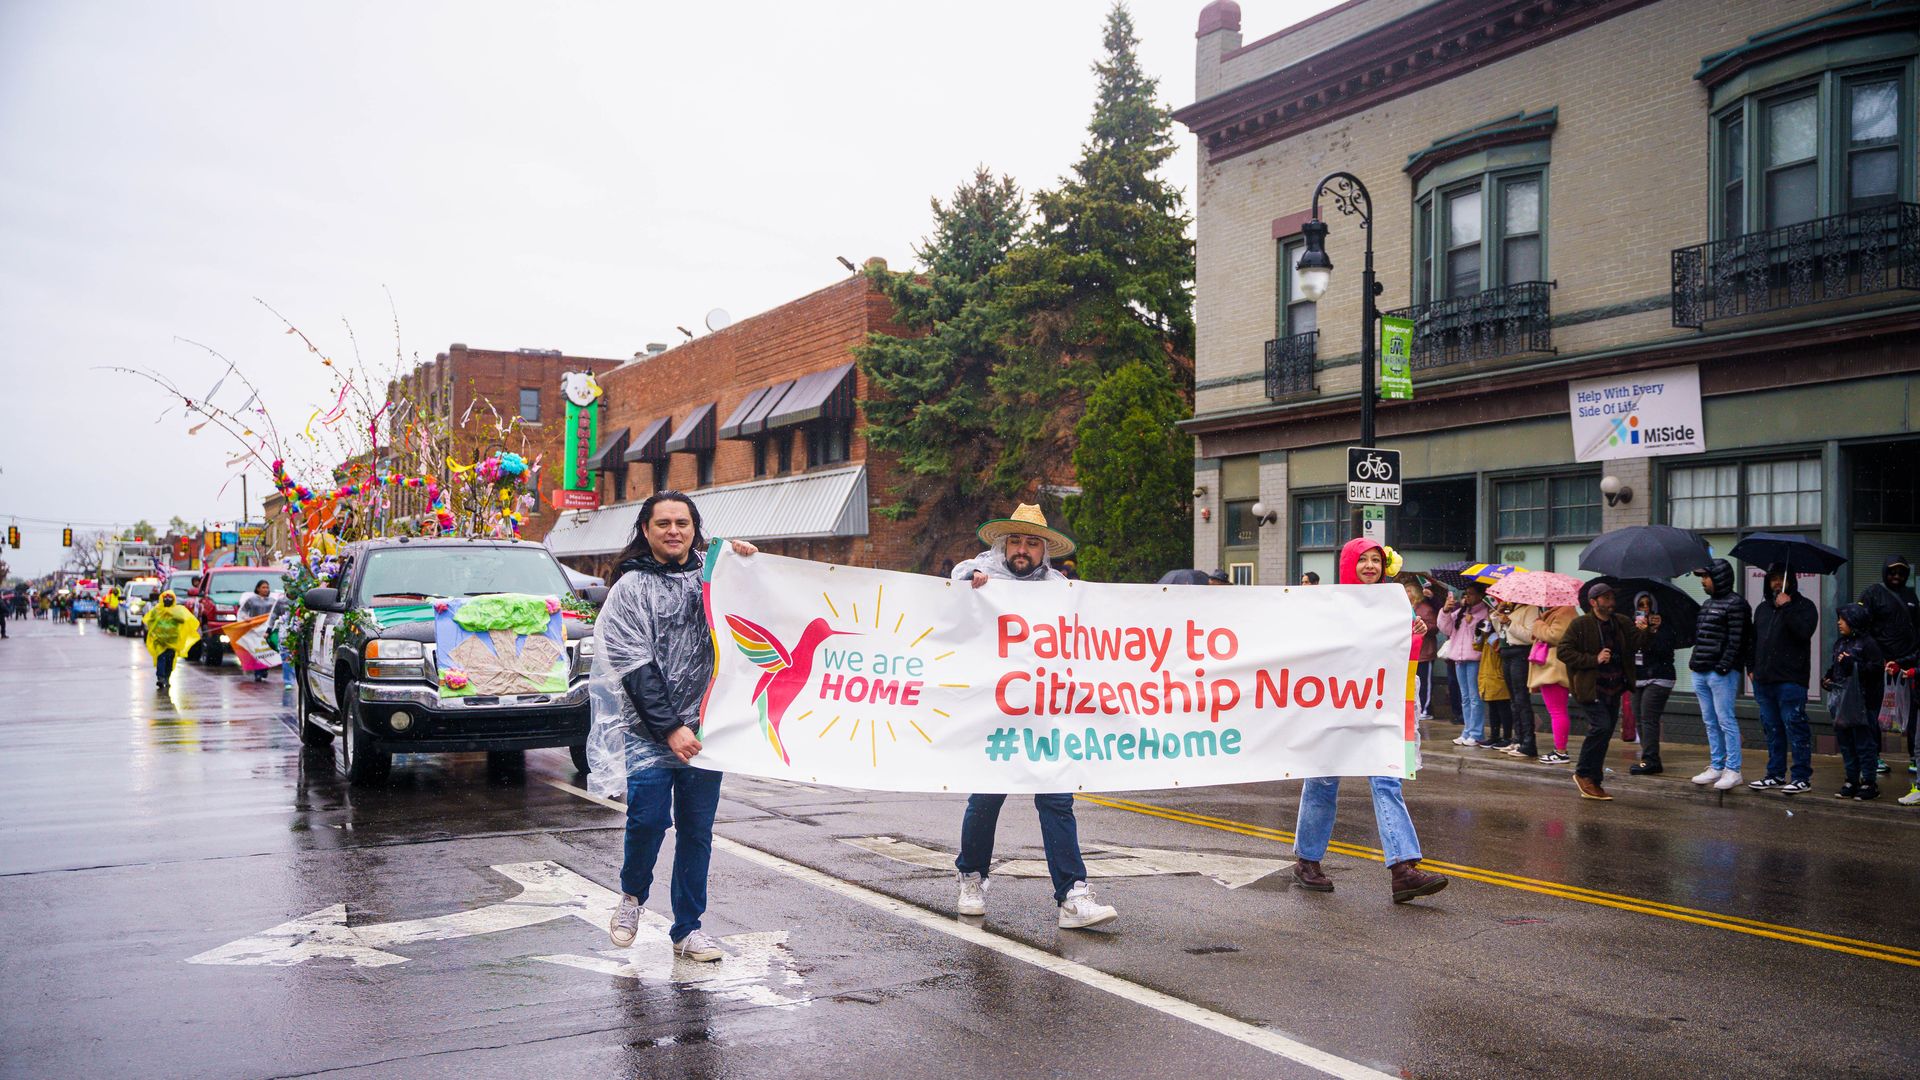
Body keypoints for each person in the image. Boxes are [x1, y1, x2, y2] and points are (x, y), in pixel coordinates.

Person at [588, 491, 757, 963]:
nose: (673, 531)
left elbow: (763, 611)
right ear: (645, 530)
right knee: (648, 820)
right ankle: (631, 897)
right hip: (648, 730)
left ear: (694, 527)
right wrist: (669, 728)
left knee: (697, 830)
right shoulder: (631, 587)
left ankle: (688, 929)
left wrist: (746, 565)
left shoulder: (715, 577)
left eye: (682, 522)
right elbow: (634, 666)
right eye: (662, 523)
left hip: (706, 730)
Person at [952, 503, 1117, 929]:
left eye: (1032, 543)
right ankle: (972, 876)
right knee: (986, 798)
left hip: (1045, 713)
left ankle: (1072, 895)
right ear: (1003, 544)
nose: (1022, 550)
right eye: (1016, 541)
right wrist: (970, 584)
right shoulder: (979, 572)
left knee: (1057, 800)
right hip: (995, 711)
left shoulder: (1059, 587)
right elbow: (954, 583)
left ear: (1045, 550)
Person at [1289, 538, 1448, 903]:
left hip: (1379, 706)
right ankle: (1307, 861)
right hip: (1335, 704)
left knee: (1386, 780)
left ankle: (1403, 869)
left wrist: (1415, 635)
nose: (1370, 566)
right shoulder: (1329, 604)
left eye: (1376, 560)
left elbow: (1398, 655)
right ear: (1349, 565)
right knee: (1323, 780)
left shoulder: (1395, 603)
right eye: (1362, 560)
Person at [1558, 583, 1647, 800]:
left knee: (1605, 733)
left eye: (1611, 598)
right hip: (1590, 687)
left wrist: (1648, 630)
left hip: (1614, 686)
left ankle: (1594, 781)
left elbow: (1637, 643)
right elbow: (1563, 651)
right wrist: (1593, 659)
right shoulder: (1581, 624)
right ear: (1593, 602)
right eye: (1605, 599)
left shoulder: (1621, 622)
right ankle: (1582, 773)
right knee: (1601, 727)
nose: (1610, 603)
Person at [1749, 565, 1819, 793]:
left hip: (1791, 680)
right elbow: (1753, 640)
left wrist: (1787, 607)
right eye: (1773, 579)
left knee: (1795, 728)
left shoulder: (1805, 607)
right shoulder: (1762, 609)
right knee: (1772, 729)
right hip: (1763, 680)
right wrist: (1751, 667)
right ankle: (1775, 774)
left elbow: (1803, 632)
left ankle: (1801, 777)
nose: (1777, 583)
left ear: (1792, 581)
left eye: (1782, 578)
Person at [1690, 558, 1751, 789]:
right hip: (1701, 671)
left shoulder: (1737, 604)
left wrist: (1724, 666)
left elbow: (1738, 640)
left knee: (1725, 720)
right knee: (1710, 721)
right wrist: (1695, 663)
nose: (1703, 581)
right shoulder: (1706, 604)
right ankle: (1716, 766)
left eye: (1706, 577)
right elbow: (1701, 636)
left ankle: (1733, 769)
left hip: (1720, 673)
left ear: (1718, 577)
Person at [1856, 556, 1917, 789]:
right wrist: (1873, 657)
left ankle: (1915, 757)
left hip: (1906, 663)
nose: (1897, 577)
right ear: (1884, 572)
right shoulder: (1872, 593)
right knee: (1875, 711)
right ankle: (1875, 757)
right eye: (1892, 572)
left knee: (1912, 712)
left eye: (1902, 573)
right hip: (1880, 665)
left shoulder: (1911, 596)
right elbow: (1860, 625)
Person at [1824, 604, 1885, 801]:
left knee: (1864, 743)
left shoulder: (1869, 644)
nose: (1839, 622)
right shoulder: (1841, 643)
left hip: (1863, 702)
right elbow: (1836, 667)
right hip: (1843, 701)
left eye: (1843, 619)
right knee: (1846, 742)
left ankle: (1868, 781)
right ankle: (1851, 779)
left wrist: (1854, 665)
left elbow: (1876, 670)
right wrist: (1828, 678)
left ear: (1855, 621)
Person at [1628, 592, 1677, 776]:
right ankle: (1647, 758)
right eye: (1641, 605)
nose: (1645, 608)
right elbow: (1629, 649)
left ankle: (1651, 760)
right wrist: (1640, 632)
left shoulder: (1663, 624)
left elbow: (1664, 650)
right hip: (1638, 676)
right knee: (1639, 717)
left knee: (1649, 717)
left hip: (1659, 676)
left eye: (1649, 604)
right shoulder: (1632, 625)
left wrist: (1654, 631)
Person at [1438, 583, 1491, 747]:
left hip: (1474, 659)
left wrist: (1471, 623)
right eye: (1466, 594)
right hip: (1459, 659)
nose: (1467, 597)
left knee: (1475, 698)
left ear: (1480, 596)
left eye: (1471, 594)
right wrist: (1446, 611)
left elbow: (1483, 636)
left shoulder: (1485, 612)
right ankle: (1467, 731)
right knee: (1465, 698)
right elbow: (1445, 628)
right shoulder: (1461, 612)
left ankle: (1476, 733)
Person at [1528, 605, 1576, 764]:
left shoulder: (1565, 612)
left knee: (1557, 711)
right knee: (1556, 710)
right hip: (1549, 668)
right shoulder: (1554, 612)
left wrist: (1538, 624)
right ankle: (1560, 749)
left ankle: (1561, 751)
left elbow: (1556, 636)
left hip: (1554, 668)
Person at [1496, 603, 1539, 759]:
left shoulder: (1530, 609)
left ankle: (1528, 743)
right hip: (1506, 652)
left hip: (1520, 654)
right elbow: (1500, 632)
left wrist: (1509, 622)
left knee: (1521, 699)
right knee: (1513, 700)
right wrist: (1497, 615)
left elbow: (1529, 636)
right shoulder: (1511, 609)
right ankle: (1518, 739)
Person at [142, 590, 200, 692]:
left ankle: (167, 678)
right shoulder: (157, 610)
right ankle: (160, 677)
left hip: (172, 641)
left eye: (170, 598)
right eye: (165, 598)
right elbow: (150, 621)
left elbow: (182, 619)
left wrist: (171, 613)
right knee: (161, 658)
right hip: (160, 641)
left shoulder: (177, 610)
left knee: (169, 660)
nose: (167, 600)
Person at [1476, 610, 1512, 750]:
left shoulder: (1501, 628)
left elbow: (1500, 647)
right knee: (1492, 708)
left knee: (1503, 708)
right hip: (1487, 674)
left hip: (1499, 675)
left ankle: (1507, 737)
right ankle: (1494, 736)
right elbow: (1477, 647)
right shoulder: (1489, 629)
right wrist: (1478, 633)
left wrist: (1491, 635)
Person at [238, 580, 277, 682]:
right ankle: (258, 673)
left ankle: (265, 668)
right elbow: (243, 611)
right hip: (254, 630)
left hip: (267, 630)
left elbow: (276, 614)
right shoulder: (251, 600)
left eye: (267, 587)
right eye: (263, 587)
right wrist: (246, 617)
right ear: (258, 588)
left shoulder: (272, 601)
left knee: (267, 650)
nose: (265, 589)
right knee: (257, 651)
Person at [1412, 583, 1439, 725]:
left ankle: (1426, 709)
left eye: (1409, 590)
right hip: (1413, 651)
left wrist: (1423, 626)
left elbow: (1435, 627)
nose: (1407, 593)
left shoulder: (1425, 608)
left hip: (1425, 651)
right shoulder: (1409, 608)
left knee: (1424, 682)